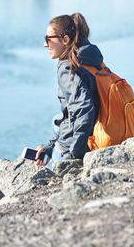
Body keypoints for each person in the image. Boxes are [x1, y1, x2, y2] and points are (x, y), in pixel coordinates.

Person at [34, 13, 103, 170]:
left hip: (84, 141)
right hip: (101, 124)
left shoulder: (67, 68)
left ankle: (52, 160)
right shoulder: (90, 58)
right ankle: (52, 147)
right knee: (56, 120)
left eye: (48, 39)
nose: (46, 45)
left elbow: (85, 109)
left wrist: (73, 157)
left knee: (46, 165)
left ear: (65, 40)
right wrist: (51, 145)